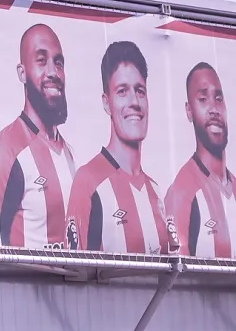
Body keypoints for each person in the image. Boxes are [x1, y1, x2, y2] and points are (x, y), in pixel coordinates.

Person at [68, 41, 175, 254]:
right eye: (122, 91)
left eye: (140, 91)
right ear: (106, 103)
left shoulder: (155, 191)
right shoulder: (88, 181)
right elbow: (77, 274)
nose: (134, 101)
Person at [0, 23, 77, 247]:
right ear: (22, 73)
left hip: (70, 280)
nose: (53, 72)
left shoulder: (68, 152)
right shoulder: (6, 148)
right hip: (27, 281)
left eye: (58, 62)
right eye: (41, 60)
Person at [166, 60, 236, 258]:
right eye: (203, 99)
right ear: (189, 111)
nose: (214, 109)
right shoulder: (182, 192)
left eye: (218, 98)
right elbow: (178, 279)